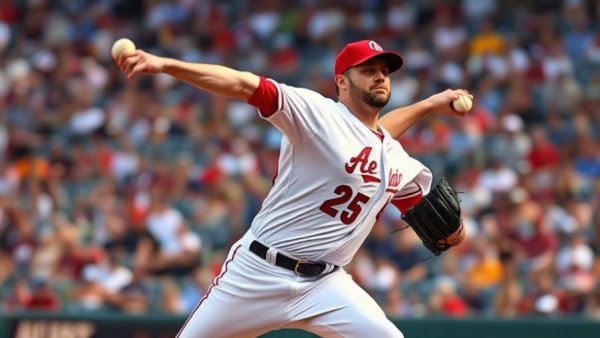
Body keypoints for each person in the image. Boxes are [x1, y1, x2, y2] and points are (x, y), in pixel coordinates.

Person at [117, 39, 470, 338]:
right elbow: (244, 85)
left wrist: (455, 234)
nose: (380, 75)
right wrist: (163, 64)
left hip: (327, 285)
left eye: (384, 71)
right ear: (342, 82)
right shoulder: (317, 115)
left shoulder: (397, 158)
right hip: (257, 273)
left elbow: (377, 143)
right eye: (368, 70)